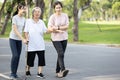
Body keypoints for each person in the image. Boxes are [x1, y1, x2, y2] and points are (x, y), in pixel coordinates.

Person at [24, 7, 52, 78]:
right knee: (30, 60)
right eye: (35, 12)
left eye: (39, 12)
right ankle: (28, 70)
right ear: (33, 13)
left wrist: (52, 30)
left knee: (41, 59)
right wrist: (27, 38)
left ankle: (39, 73)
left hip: (40, 45)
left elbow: (46, 31)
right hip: (31, 44)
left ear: (40, 13)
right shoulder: (28, 21)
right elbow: (26, 32)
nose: (37, 13)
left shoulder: (41, 22)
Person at [48, 1, 69, 78]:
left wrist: (57, 28)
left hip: (64, 38)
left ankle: (57, 72)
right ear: (54, 9)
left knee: (60, 55)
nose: (58, 9)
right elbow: (50, 28)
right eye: (57, 7)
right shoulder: (52, 17)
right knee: (61, 53)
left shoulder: (65, 15)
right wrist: (58, 30)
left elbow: (67, 26)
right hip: (55, 39)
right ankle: (63, 69)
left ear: (61, 8)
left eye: (59, 7)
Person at [9, 3, 27, 79]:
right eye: (23, 9)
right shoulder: (14, 18)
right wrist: (22, 38)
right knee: (15, 55)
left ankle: (15, 73)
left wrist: (26, 38)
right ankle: (12, 74)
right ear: (19, 9)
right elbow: (15, 30)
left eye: (25, 9)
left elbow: (25, 30)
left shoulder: (24, 19)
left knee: (18, 57)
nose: (24, 10)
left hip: (19, 40)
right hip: (13, 39)